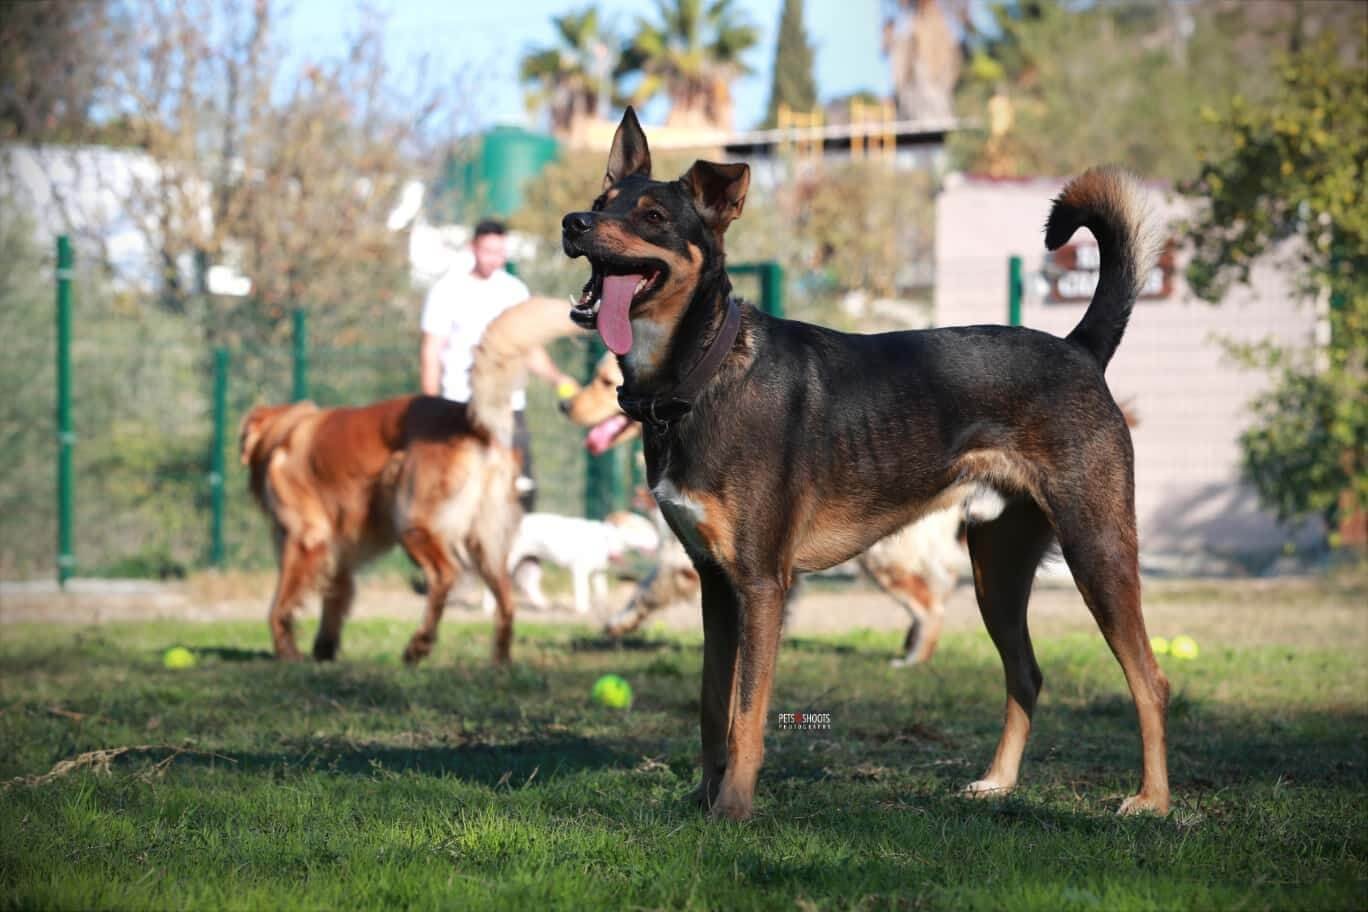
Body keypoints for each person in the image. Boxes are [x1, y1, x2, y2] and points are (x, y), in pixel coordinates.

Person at [420, 218, 575, 513]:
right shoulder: (447, 290)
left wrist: (558, 379)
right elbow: (432, 351)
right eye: (488, 251)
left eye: (500, 252)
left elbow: (529, 349)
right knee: (459, 491)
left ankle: (519, 555)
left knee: (520, 489)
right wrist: (430, 404)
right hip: (460, 403)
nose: (495, 259)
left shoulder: (514, 290)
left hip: (507, 406)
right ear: (473, 248)